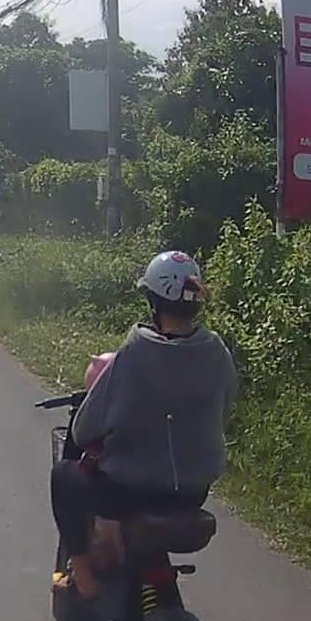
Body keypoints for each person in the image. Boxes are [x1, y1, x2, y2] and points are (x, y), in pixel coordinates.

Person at [50, 251, 238, 599]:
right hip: (192, 491)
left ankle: (84, 578)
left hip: (129, 492)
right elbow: (223, 412)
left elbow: (84, 430)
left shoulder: (135, 352)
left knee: (64, 476)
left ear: (153, 301)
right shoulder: (218, 353)